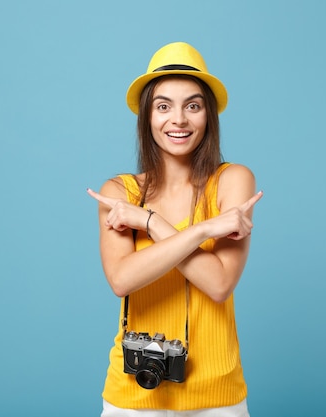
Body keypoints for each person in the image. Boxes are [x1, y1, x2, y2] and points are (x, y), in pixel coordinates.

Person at [87, 41, 262, 417]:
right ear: (147, 117)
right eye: (163, 106)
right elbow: (121, 279)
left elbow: (218, 283)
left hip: (217, 393)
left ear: (208, 116)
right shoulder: (120, 192)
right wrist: (203, 230)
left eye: (193, 106)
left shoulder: (232, 181)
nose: (178, 119)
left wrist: (149, 222)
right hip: (133, 391)